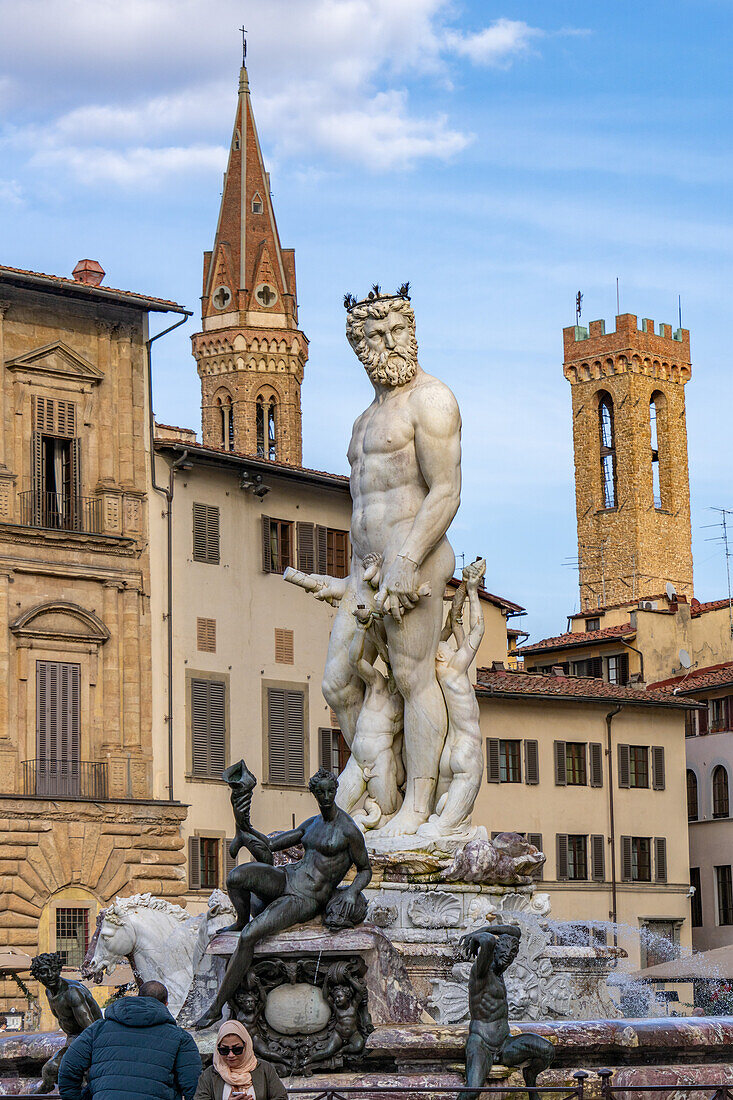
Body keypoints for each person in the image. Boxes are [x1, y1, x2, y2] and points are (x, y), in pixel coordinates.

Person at [323, 289, 462, 836]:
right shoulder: (363, 420)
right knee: (338, 681)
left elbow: (446, 490)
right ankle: (380, 789)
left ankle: (419, 805)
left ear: (410, 331)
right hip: (365, 569)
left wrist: (408, 558)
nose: (383, 346)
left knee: (411, 676)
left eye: (392, 333)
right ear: (358, 347)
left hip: (416, 557)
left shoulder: (431, 400)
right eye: (371, 338)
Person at [194, 768, 371, 1029]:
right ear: (313, 792)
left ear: (336, 792)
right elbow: (270, 846)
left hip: (307, 898)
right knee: (236, 877)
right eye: (319, 791)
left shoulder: (348, 830)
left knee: (249, 937)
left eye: (329, 791)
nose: (325, 796)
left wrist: (353, 892)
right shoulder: (311, 824)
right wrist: (245, 827)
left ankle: (215, 1007)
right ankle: (241, 919)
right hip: (287, 877)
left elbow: (365, 868)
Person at [58, 979, 202, 1100]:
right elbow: (194, 1087)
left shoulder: (98, 1029)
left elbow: (68, 1068)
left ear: (138, 997)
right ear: (165, 1004)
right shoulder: (180, 1038)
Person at [460, 926, 554, 1100]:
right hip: (482, 1043)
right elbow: (487, 940)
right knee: (472, 1091)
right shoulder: (481, 971)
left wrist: (490, 929)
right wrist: (476, 935)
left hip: (505, 1044)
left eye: (512, 956)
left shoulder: (499, 972)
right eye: (504, 954)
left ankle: (530, 1077)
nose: (508, 959)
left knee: (547, 1050)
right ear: (494, 952)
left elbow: (515, 931)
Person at [30, 951, 101, 1094]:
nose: (50, 975)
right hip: (74, 1039)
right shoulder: (49, 992)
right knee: (49, 1072)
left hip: (88, 1040)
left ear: (59, 970)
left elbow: (92, 1029)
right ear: (37, 975)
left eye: (54, 970)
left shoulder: (72, 993)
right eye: (44, 972)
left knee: (53, 1068)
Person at [194, 1021, 286, 1100]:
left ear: (246, 1046)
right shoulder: (209, 1074)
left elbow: (281, 1097)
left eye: (237, 1049)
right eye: (224, 1050)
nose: (231, 1055)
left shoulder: (265, 1069)